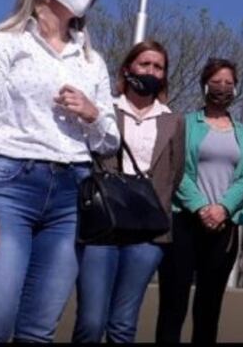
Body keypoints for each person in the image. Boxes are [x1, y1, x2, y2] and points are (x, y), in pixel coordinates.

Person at [0, 0, 119, 342]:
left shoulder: (91, 61)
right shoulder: (0, 44)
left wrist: (92, 113)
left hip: (72, 193)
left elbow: (110, 140)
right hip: (11, 184)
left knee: (38, 331)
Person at [72, 40, 184, 343]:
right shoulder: (105, 109)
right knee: (91, 321)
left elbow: (174, 174)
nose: (151, 71)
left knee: (123, 324)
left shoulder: (173, 120)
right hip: (103, 225)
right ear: (128, 68)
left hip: (147, 232)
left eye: (158, 67)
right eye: (144, 64)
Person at [155, 58, 243, 343]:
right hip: (184, 222)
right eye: (216, 82)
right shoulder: (185, 124)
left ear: (235, 88)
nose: (222, 87)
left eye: (228, 83)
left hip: (224, 227)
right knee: (173, 305)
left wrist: (223, 208)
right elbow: (177, 170)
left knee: (208, 309)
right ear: (204, 85)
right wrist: (200, 207)